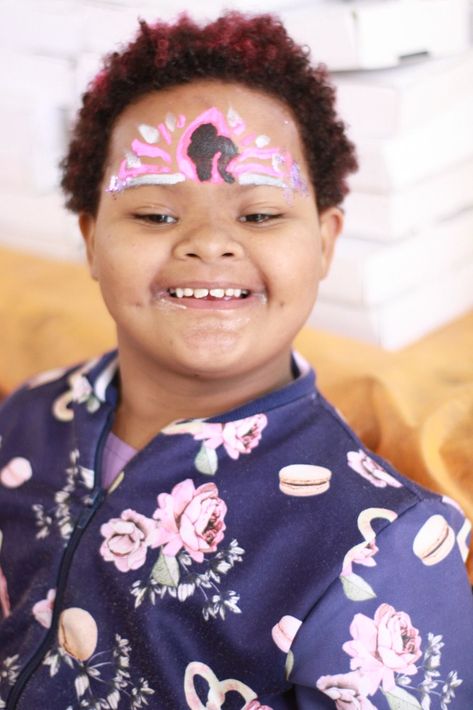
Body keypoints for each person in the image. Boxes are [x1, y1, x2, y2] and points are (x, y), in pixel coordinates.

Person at [0, 12, 472, 710]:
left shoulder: (384, 551)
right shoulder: (28, 416)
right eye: (156, 215)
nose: (209, 242)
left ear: (324, 243)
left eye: (258, 215)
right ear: (92, 240)